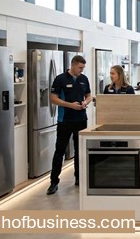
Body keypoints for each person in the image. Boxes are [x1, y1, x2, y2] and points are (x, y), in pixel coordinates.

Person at [47, 55, 92, 195]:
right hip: (65, 120)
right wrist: (70, 105)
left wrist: (85, 102)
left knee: (80, 151)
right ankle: (54, 182)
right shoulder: (60, 79)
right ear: (72, 65)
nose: (81, 70)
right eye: (80, 67)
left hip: (81, 119)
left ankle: (79, 178)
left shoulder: (84, 79)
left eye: (83, 68)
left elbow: (89, 95)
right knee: (59, 151)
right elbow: (53, 98)